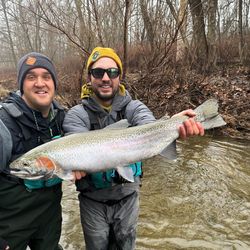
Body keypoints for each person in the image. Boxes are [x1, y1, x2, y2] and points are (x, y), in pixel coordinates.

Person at [63, 47, 205, 250]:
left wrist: (174, 124)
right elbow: (72, 145)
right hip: (92, 201)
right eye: (98, 72)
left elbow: (150, 127)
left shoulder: (134, 108)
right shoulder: (76, 115)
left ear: (119, 77)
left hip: (128, 197)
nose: (105, 78)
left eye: (112, 72)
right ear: (89, 77)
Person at [0, 52, 65, 250]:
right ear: (21, 85)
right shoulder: (3, 126)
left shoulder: (61, 119)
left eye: (46, 76)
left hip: (49, 221)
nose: (40, 83)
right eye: (31, 77)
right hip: (9, 226)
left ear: (53, 83)